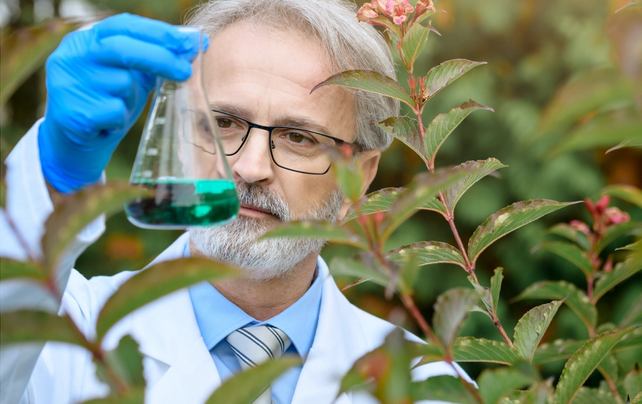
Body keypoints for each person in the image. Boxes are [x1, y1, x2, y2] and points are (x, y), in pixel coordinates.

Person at [0, 0, 472, 403]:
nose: (249, 168)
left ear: (359, 179)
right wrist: (53, 176)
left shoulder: (427, 385)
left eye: (297, 137)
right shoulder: (61, 336)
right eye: (223, 123)